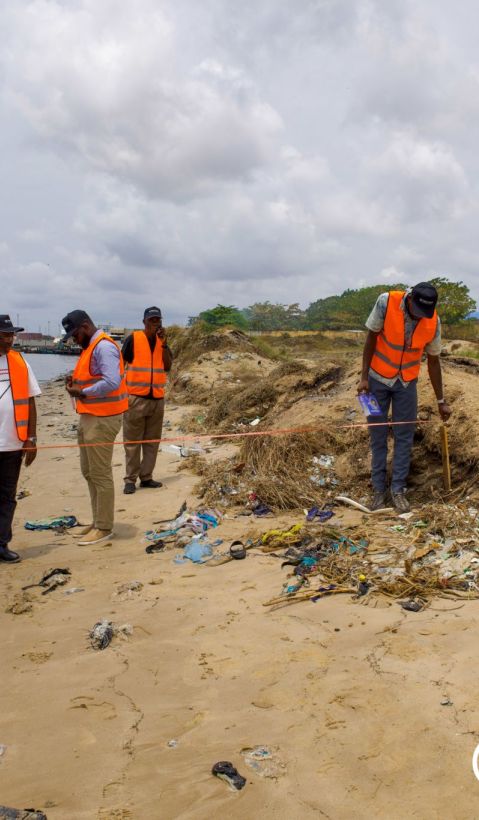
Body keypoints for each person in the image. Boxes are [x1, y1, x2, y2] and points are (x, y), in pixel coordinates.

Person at [358, 283, 452, 513]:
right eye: (418, 310)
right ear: (409, 299)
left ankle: (398, 490)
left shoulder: (433, 321)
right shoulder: (386, 301)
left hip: (407, 384)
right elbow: (371, 339)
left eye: (424, 313)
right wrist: (363, 378)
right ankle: (378, 491)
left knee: (404, 437)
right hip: (375, 382)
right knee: (377, 436)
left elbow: (433, 361)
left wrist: (441, 401)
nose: (420, 316)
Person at [62, 310, 128, 545]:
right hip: (90, 416)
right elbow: (93, 376)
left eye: (75, 335)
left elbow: (111, 382)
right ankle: (97, 519)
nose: (74, 340)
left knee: (100, 473)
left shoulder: (104, 347)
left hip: (103, 418)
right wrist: (75, 383)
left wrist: (82, 392)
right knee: (89, 471)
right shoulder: (90, 347)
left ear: (86, 326)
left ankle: (104, 526)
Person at [0, 315, 39, 563]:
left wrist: (31, 438)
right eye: (4, 335)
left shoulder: (20, 361)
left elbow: (31, 400)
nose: (10, 339)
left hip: (13, 443)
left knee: (6, 497)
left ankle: (1, 544)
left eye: (11, 335)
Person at [121, 306, 173, 494]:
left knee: (152, 442)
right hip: (135, 398)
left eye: (158, 320)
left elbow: (167, 366)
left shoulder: (162, 342)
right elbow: (121, 364)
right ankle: (130, 479)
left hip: (157, 399)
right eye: (152, 320)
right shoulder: (133, 339)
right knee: (132, 442)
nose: (156, 323)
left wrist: (164, 344)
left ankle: (146, 477)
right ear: (144, 322)